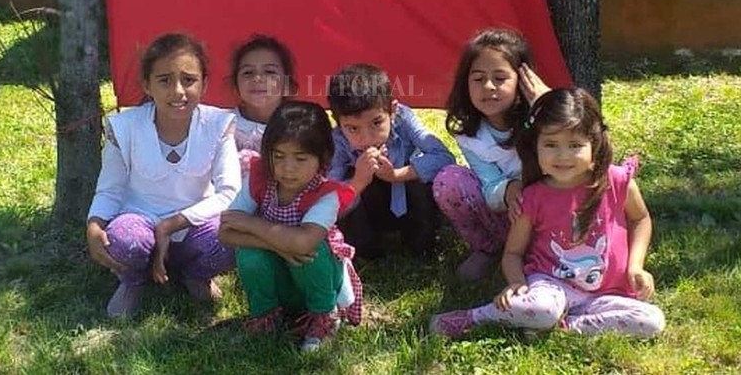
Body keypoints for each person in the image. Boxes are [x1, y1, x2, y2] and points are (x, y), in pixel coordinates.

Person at [430, 88, 666, 339]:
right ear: (536, 146)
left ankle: (566, 327)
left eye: (575, 145)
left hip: (607, 293)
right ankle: (473, 318)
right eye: (551, 144)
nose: (563, 156)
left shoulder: (617, 181)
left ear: (594, 145)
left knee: (652, 320)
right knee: (541, 309)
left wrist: (636, 267)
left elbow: (640, 219)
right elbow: (512, 253)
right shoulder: (533, 197)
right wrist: (517, 284)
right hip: (551, 287)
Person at [86, 33, 241, 318]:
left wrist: (171, 225)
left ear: (204, 84)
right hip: (140, 221)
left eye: (189, 80)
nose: (178, 91)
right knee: (124, 241)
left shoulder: (218, 125)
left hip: (195, 224)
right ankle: (133, 281)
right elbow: (110, 189)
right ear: (147, 85)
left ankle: (196, 275)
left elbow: (229, 192)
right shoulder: (126, 127)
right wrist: (94, 225)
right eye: (165, 80)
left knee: (230, 234)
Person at [220, 101, 362, 352]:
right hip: (283, 277)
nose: (288, 168)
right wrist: (279, 247)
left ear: (323, 159)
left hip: (317, 279)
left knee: (312, 251)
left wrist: (252, 223)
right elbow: (226, 231)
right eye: (278, 156)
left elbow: (303, 242)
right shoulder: (260, 179)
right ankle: (266, 316)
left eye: (300, 158)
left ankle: (323, 316)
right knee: (249, 254)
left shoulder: (324, 195)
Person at [433, 28, 549, 281]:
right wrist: (508, 191)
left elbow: (582, 147)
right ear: (465, 84)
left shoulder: (543, 118)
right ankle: (490, 248)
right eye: (478, 78)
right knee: (448, 181)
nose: (488, 87)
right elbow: (488, 183)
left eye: (500, 78)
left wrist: (546, 104)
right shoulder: (469, 133)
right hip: (507, 213)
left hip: (550, 213)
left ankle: (542, 253)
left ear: (522, 81)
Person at [327, 64, 455, 259]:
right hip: (370, 205)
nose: (367, 137)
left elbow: (443, 156)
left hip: (408, 198)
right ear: (338, 123)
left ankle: (422, 243)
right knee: (348, 191)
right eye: (353, 128)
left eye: (376, 123)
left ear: (393, 110)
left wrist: (396, 175)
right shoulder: (338, 140)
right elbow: (328, 198)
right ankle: (368, 250)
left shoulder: (403, 119)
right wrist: (358, 182)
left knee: (418, 177)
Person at [228, 35, 298, 180]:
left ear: (287, 85)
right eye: (248, 73)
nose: (258, 78)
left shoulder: (301, 129)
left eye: (269, 72)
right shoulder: (221, 125)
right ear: (235, 85)